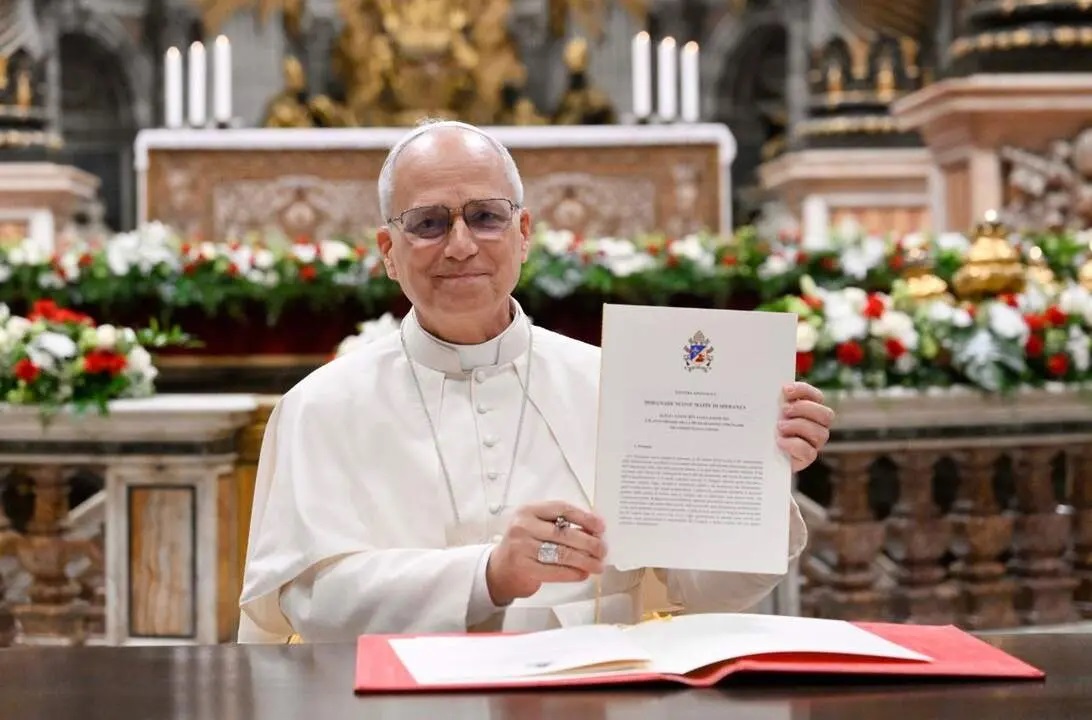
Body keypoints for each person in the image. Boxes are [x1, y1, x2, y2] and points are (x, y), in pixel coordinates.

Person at [237, 120, 835, 643]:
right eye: (428, 223)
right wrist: (489, 575)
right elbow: (312, 601)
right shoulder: (320, 406)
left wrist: (759, 479)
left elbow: (699, 591)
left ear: (523, 232)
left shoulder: (616, 385)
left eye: (485, 217)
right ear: (389, 250)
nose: (461, 245)